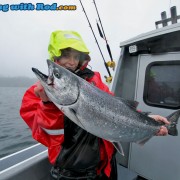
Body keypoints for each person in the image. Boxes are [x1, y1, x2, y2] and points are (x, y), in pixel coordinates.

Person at [20, 30, 169, 180]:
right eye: (65, 55)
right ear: (55, 56)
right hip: (73, 174)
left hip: (106, 166)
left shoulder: (94, 81)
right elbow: (47, 137)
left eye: (76, 56)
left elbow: (118, 108)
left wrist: (147, 118)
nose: (71, 61)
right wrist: (48, 105)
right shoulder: (36, 94)